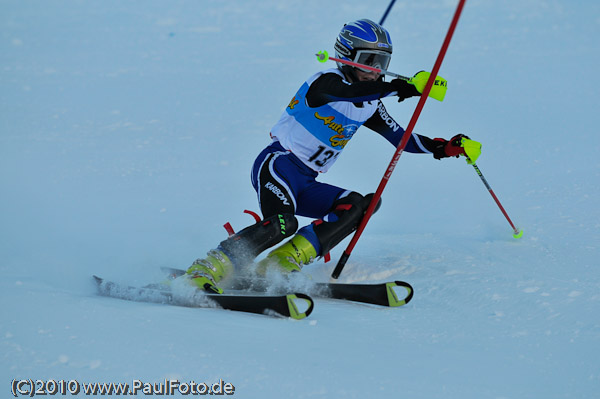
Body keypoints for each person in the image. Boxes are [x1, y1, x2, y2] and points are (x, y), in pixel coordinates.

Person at [182, 19, 473, 293]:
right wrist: (401, 86)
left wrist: (445, 148)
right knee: (284, 222)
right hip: (278, 165)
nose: (375, 70)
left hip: (307, 180)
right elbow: (349, 92)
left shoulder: (369, 103)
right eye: (368, 61)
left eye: (382, 63)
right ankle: (205, 269)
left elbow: (401, 138)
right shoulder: (324, 83)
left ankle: (278, 265)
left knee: (358, 205)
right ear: (347, 56)